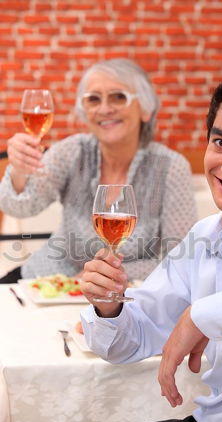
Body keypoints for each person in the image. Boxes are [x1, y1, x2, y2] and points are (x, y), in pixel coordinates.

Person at [1, 68, 222, 422]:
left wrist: (200, 315)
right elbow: (133, 337)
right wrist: (110, 307)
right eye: (221, 143)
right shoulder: (206, 235)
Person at [0, 58, 197, 283]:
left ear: (146, 109)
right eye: (94, 99)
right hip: (48, 280)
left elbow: (181, 260)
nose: (105, 109)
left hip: (122, 293)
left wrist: (106, 275)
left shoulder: (171, 167)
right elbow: (18, 207)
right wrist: (19, 169)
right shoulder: (71, 152)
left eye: (118, 97)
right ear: (84, 111)